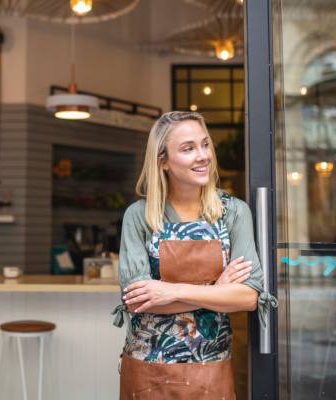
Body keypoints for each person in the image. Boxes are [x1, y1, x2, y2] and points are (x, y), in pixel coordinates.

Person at [112, 111, 276, 399]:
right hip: (148, 367)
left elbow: (249, 297)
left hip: (210, 365)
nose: (203, 155)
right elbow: (138, 301)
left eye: (205, 144)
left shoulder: (233, 212)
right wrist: (218, 291)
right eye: (188, 148)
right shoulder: (139, 216)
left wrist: (169, 292)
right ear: (162, 161)